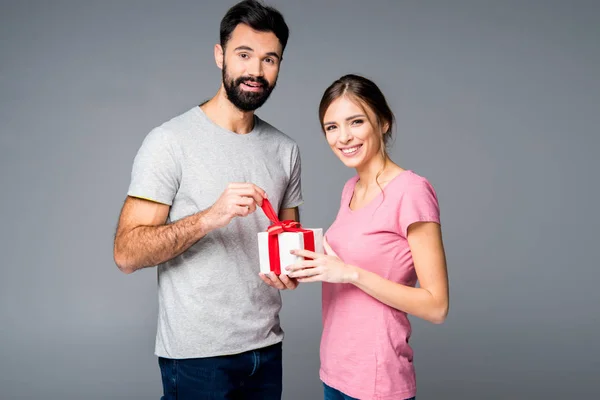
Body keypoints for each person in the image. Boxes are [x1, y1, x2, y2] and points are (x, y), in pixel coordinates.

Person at [113, 1, 302, 398]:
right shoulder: (169, 142)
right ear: (220, 56)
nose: (256, 71)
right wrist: (209, 217)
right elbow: (126, 254)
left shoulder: (285, 150)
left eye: (270, 59)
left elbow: (289, 240)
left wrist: (294, 270)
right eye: (244, 55)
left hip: (266, 349)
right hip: (197, 357)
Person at [286, 74, 449, 400]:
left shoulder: (411, 190)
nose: (343, 137)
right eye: (331, 127)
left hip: (378, 380)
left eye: (355, 122)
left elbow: (436, 306)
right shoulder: (351, 189)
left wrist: (350, 273)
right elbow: (342, 268)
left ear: (383, 122)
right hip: (335, 370)